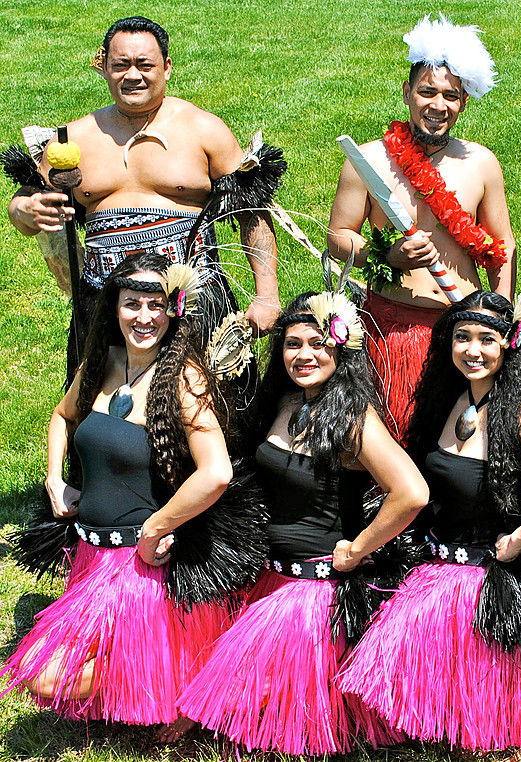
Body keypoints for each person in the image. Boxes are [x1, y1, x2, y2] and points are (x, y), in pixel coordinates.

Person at [338, 290, 521, 751]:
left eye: (487, 339)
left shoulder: (517, 413)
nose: (473, 350)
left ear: (509, 344)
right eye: (462, 338)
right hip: (436, 567)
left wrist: (518, 539)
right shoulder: (444, 401)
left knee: (487, 710)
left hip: (490, 579)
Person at [0, 253, 252, 732]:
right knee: (40, 671)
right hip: (90, 556)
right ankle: (172, 680)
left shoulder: (183, 377)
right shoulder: (104, 363)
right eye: (131, 303)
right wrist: (55, 478)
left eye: (155, 305)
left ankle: (184, 683)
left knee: (48, 679)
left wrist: (157, 528)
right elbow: (61, 415)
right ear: (114, 308)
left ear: (173, 309)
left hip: (140, 566)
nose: (143, 316)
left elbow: (216, 472)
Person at [178, 287, 429, 754]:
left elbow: (411, 493)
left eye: (318, 343)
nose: (304, 354)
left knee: (272, 725)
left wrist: (358, 549)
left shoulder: (354, 416)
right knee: (236, 710)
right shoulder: (282, 401)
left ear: (342, 346)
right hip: (266, 578)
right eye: (293, 344)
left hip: (313, 592)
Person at [6, 16, 283, 377]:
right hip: (108, 307)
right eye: (121, 65)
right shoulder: (74, 139)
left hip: (193, 303)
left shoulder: (203, 129)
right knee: (103, 419)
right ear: (102, 65)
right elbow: (23, 208)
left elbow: (252, 212)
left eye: (145, 65)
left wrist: (266, 294)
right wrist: (26, 208)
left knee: (206, 419)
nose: (132, 75)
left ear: (167, 68)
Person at [328, 14, 516, 439]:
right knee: (392, 438)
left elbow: (502, 245)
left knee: (460, 444)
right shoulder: (369, 161)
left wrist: (499, 316)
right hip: (391, 325)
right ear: (407, 93)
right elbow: (338, 238)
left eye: (451, 95)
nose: (438, 105)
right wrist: (388, 255)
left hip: (464, 328)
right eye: (427, 91)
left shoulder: (480, 163)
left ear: (464, 101)